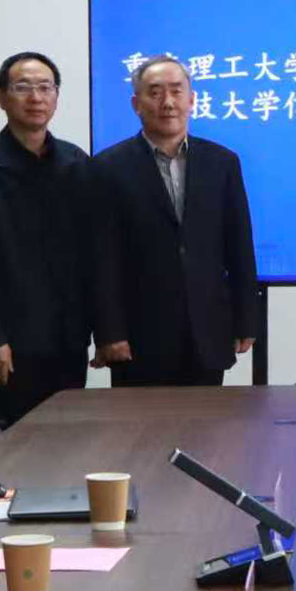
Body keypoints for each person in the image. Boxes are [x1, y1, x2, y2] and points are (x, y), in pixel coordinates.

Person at [91, 56, 259, 387]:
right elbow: (101, 258)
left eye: (176, 91)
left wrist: (246, 320)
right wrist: (109, 332)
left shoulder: (222, 162)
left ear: (192, 100)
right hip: (139, 335)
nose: (167, 102)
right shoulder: (107, 167)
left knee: (207, 419)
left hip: (207, 330)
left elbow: (239, 246)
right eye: (155, 92)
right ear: (136, 104)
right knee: (138, 421)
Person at [0, 52, 95, 421]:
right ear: (2, 98)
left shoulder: (75, 162)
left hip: (68, 338)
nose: (36, 97)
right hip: (11, 343)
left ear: (57, 96)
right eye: (23, 87)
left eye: (45, 87)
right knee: (18, 442)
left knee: (70, 436)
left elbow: (93, 254)